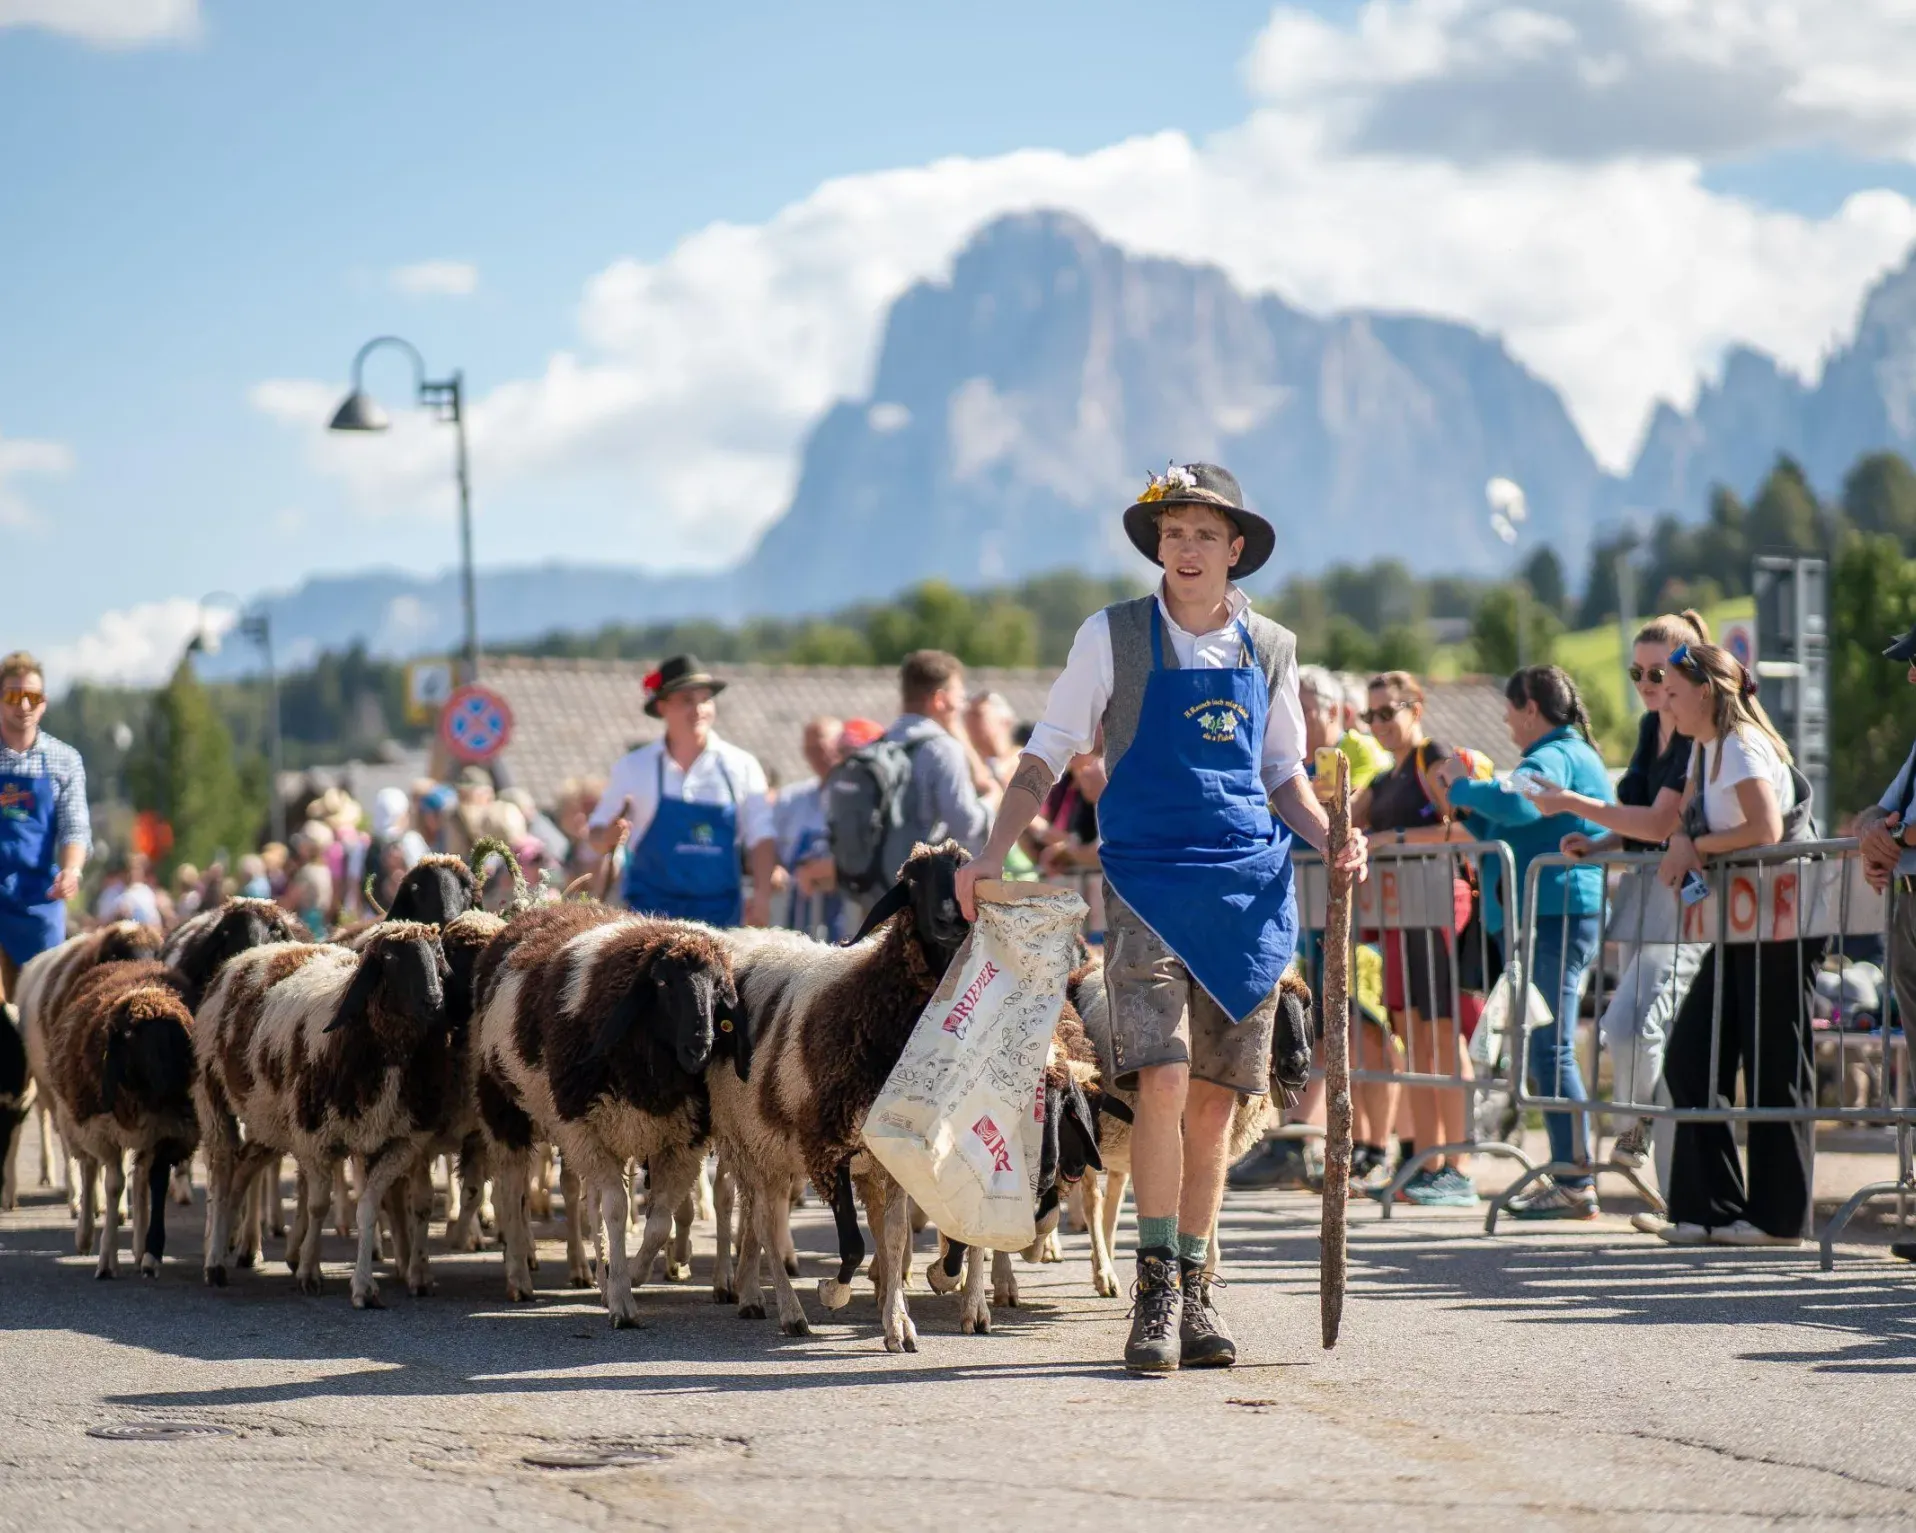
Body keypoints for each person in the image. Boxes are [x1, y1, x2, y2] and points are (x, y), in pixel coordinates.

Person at [955, 461, 1367, 1373]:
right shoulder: (1110, 637)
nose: (1186, 548)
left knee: (1219, 1105)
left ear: (1235, 551)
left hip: (1250, 893)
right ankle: (1152, 1292)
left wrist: (1334, 836)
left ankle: (1197, 1283)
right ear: (1159, 545)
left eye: (1204, 534)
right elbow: (1048, 750)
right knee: (1164, 1082)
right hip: (1146, 886)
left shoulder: (1273, 647)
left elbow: (1284, 776)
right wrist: (991, 852)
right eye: (1172, 532)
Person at [1534, 610, 1711, 1193]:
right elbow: (1639, 818)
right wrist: (1602, 842)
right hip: (1651, 895)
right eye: (1636, 673)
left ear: (1687, 670)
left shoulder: (1696, 730)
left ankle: (1647, 1143)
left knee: (1637, 1027)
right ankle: (1664, 1176)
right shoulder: (1649, 729)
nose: (1646, 685)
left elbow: (1662, 819)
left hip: (1692, 902)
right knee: (1632, 1028)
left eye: (1657, 673)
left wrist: (1573, 805)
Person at [1653, 642, 1820, 1246]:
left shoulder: (1743, 745)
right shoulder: (1705, 747)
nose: (1663, 702)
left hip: (1783, 920)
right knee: (1693, 1055)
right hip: (1746, 921)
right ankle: (1710, 1208)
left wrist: (1697, 849)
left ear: (1705, 692)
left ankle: (1779, 1220)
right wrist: (1683, 840)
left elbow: (1764, 829)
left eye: (1672, 691)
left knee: (1775, 1064)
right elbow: (1691, 819)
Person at [1437, 665, 1612, 1219]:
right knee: (1544, 1045)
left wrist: (1462, 787)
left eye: (1511, 711)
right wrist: (1468, 810)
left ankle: (1574, 1179)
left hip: (1558, 912)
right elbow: (1507, 826)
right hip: (1552, 911)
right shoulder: (1564, 750)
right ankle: (1571, 1174)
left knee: (1550, 1045)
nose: (1508, 723)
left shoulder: (1556, 754)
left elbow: (1517, 802)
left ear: (1531, 707)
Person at [1346, 671, 1481, 1207]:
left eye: (1388, 711)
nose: (1379, 723)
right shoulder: (1384, 777)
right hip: (1404, 915)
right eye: (1370, 715)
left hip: (1440, 909)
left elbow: (1469, 827)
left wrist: (1393, 838)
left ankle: (1460, 1165)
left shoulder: (1433, 758)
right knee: (1418, 1040)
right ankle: (1428, 1159)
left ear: (1416, 708)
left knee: (1446, 1038)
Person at [588, 654, 777, 927]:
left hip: (720, 919)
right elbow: (595, 835)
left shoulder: (741, 765)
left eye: (705, 699)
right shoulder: (633, 767)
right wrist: (608, 836)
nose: (699, 709)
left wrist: (761, 897)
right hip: (648, 920)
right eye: (687, 700)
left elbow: (762, 838)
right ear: (663, 706)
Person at [0, 652, 89, 1000]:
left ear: (44, 703)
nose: (23, 704)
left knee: (43, 1003)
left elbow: (75, 827)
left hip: (39, 897)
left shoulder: (64, 760)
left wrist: (71, 870)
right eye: (12, 695)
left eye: (32, 696)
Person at [1858, 618, 1916, 1049]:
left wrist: (1886, 842)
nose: (1911, 673)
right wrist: (1872, 834)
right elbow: (1880, 808)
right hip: (1908, 901)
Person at [884, 650, 997, 857]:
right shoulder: (942, 749)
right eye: (960, 698)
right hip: (915, 878)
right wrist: (992, 800)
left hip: (873, 881)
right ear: (940, 700)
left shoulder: (882, 743)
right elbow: (966, 825)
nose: (962, 707)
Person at [964, 692, 1022, 789]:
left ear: (1005, 721)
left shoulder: (1024, 761)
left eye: (977, 714)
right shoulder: (967, 763)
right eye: (967, 715)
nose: (969, 722)